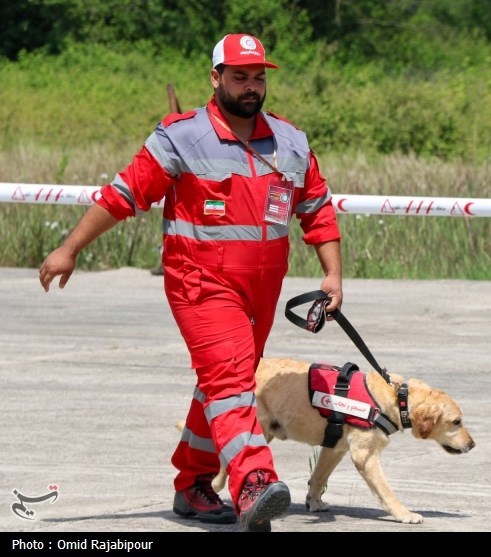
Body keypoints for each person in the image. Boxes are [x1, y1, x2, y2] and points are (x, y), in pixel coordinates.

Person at [38, 33, 343, 532]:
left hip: (262, 290)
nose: (251, 86)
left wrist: (332, 273)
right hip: (200, 283)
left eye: (258, 77)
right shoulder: (181, 136)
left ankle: (194, 483)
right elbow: (124, 194)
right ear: (216, 78)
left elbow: (316, 210)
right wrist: (70, 248)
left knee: (221, 382)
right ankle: (254, 482)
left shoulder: (290, 141)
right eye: (240, 76)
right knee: (229, 379)